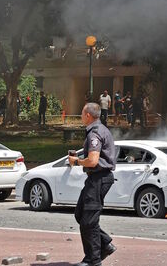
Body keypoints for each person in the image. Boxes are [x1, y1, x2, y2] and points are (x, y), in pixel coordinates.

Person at [68, 103, 117, 266]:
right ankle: (105, 244)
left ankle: (93, 260)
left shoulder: (94, 132)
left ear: (88, 115)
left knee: (89, 220)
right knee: (81, 214)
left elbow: (93, 160)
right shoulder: (100, 129)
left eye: (82, 113)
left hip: (99, 178)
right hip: (97, 178)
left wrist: (76, 161)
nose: (81, 116)